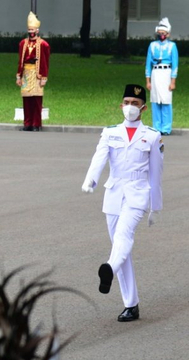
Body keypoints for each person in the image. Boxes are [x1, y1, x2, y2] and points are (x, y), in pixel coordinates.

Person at [81, 84, 163, 322]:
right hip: (114, 194)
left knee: (123, 237)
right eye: (127, 103)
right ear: (121, 105)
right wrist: (90, 180)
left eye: (135, 104)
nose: (130, 108)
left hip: (138, 194)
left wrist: (155, 206)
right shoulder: (110, 132)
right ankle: (131, 304)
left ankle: (109, 268)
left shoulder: (152, 135)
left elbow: (156, 173)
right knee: (122, 248)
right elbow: (99, 157)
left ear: (144, 108)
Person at [16, 11, 50, 132]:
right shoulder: (23, 44)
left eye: (33, 30)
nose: (31, 32)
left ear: (37, 30)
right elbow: (20, 60)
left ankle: (36, 124)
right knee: (26, 100)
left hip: (37, 75)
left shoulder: (43, 45)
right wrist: (18, 76)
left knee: (36, 100)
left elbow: (46, 62)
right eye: (29, 30)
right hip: (26, 73)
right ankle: (27, 123)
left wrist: (44, 77)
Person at [145, 17, 178, 136]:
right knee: (155, 100)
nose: (161, 35)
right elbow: (148, 63)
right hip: (155, 73)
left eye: (163, 33)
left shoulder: (172, 46)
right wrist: (147, 80)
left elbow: (175, 64)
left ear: (168, 34)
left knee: (166, 100)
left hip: (166, 73)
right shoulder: (152, 45)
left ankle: (166, 127)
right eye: (159, 33)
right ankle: (157, 126)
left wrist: (173, 81)